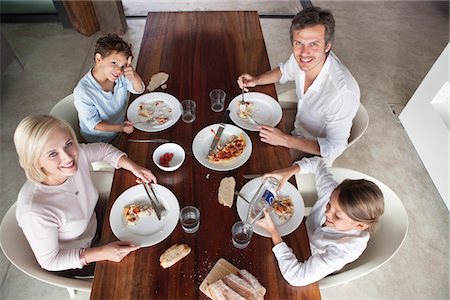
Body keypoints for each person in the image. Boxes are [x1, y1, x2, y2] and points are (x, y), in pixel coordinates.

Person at [13, 115, 157, 276]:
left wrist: (134, 167)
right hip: (78, 259)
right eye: (53, 154)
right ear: (34, 161)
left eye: (68, 144)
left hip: (95, 224)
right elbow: (50, 261)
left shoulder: (74, 156)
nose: (68, 157)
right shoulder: (35, 211)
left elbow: (103, 150)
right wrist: (102, 252)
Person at [237, 7, 360, 164]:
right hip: (298, 125)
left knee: (255, 160)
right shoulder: (302, 58)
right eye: (298, 43)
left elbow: (334, 148)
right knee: (243, 134)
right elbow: (284, 71)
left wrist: (284, 140)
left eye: (314, 44)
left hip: (312, 153)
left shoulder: (342, 95)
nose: (304, 52)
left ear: (327, 46)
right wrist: (256, 80)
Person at [256, 156, 384, 286]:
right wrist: (289, 171)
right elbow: (318, 163)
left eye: (337, 216)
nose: (327, 212)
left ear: (360, 225)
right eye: (328, 204)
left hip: (308, 259)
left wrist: (273, 232)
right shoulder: (333, 193)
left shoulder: (343, 251)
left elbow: (296, 277)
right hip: (301, 233)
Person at [74, 34, 145, 143]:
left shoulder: (119, 76)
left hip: (121, 128)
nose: (119, 70)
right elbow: (94, 124)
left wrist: (133, 74)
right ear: (98, 58)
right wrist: (121, 127)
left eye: (123, 66)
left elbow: (139, 90)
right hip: (98, 140)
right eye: (114, 63)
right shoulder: (83, 92)